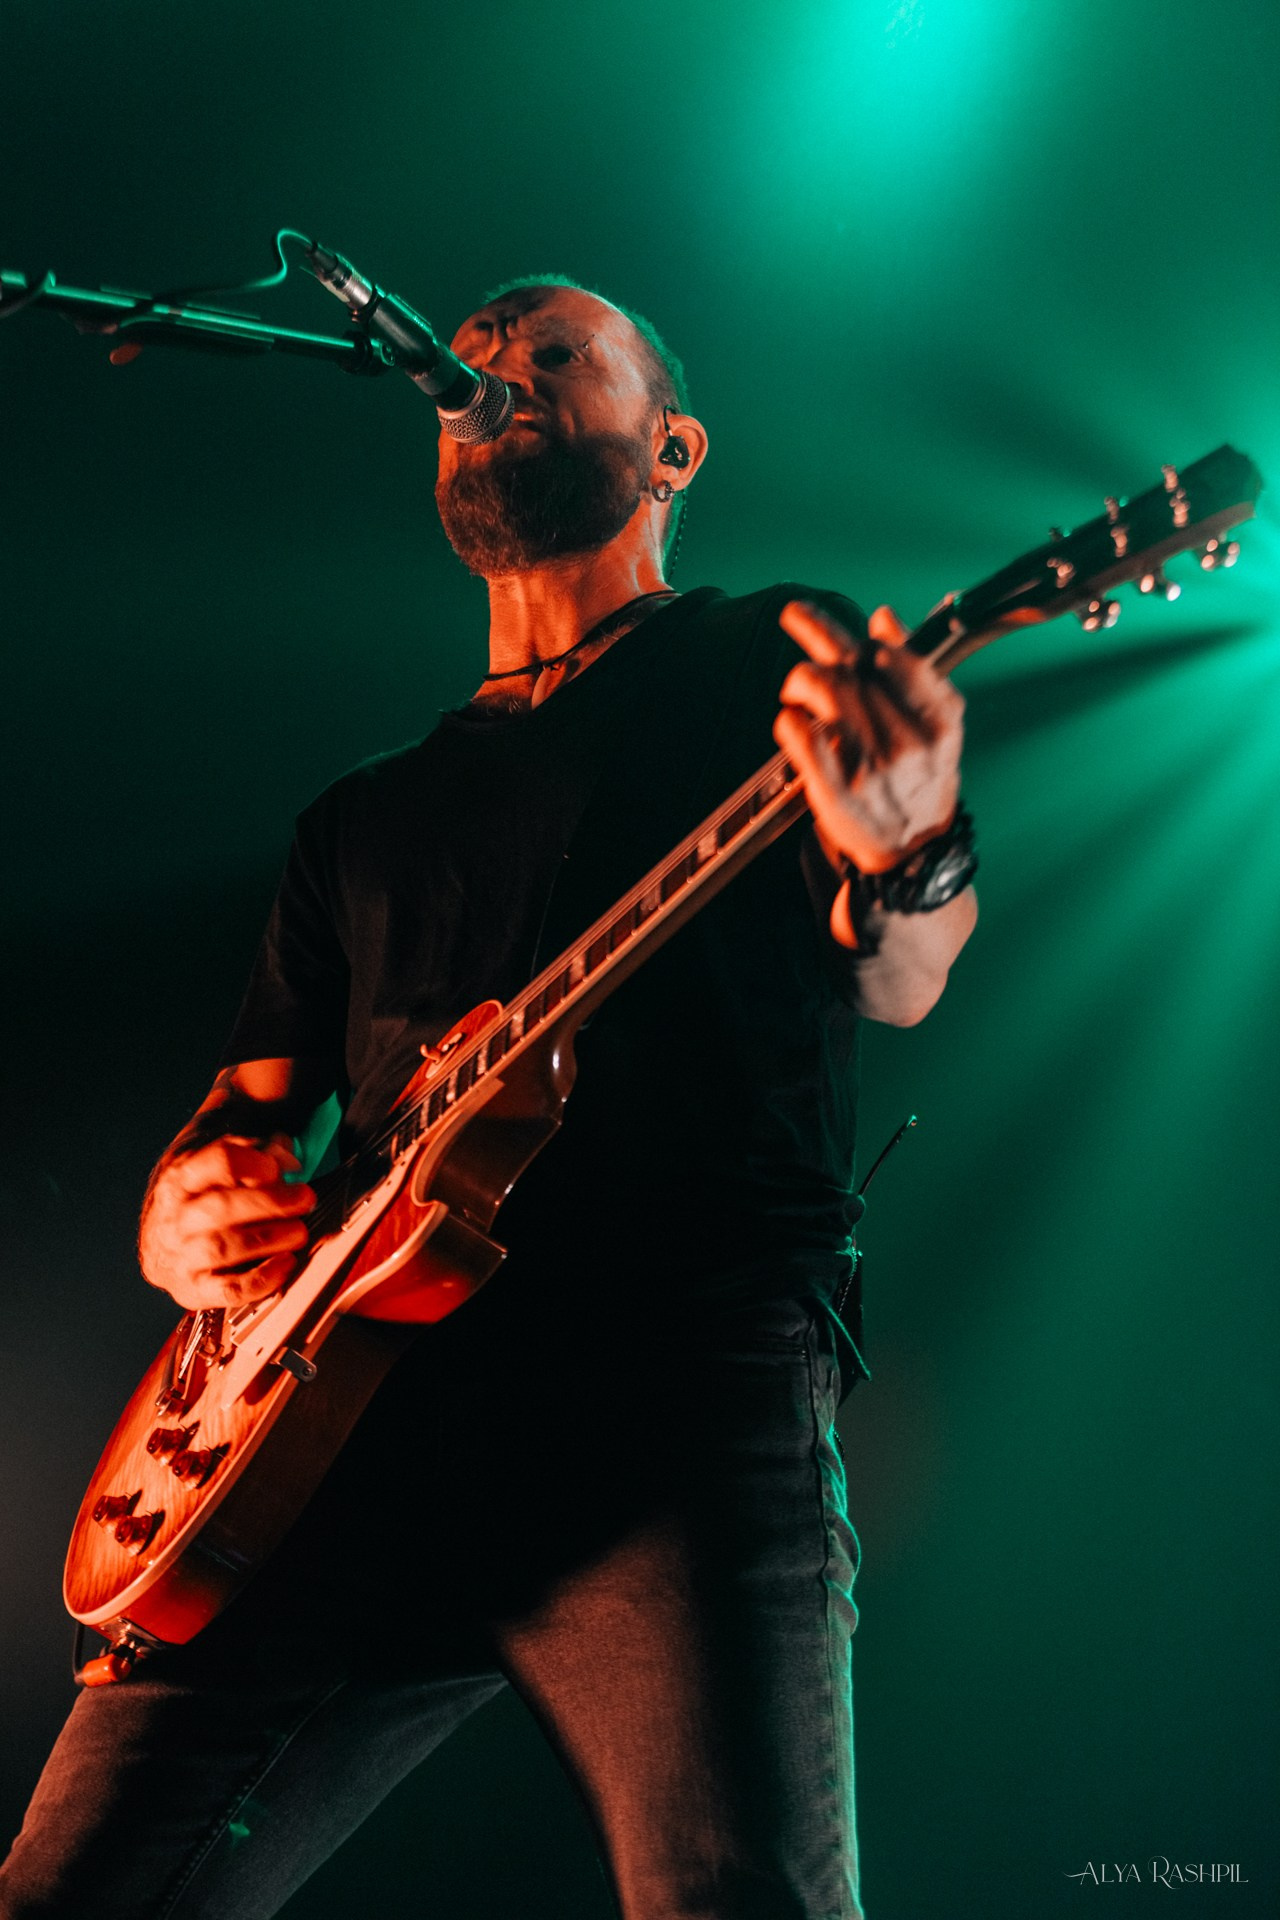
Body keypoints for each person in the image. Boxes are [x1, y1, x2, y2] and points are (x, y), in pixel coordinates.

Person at [0, 278, 976, 1919]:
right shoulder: (360, 819)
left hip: (670, 1399)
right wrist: (186, 1216)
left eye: (551, 353)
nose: (494, 372)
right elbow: (247, 1117)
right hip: (339, 1427)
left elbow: (904, 971)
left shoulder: (769, 659)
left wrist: (916, 842)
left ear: (673, 449)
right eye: (474, 355)